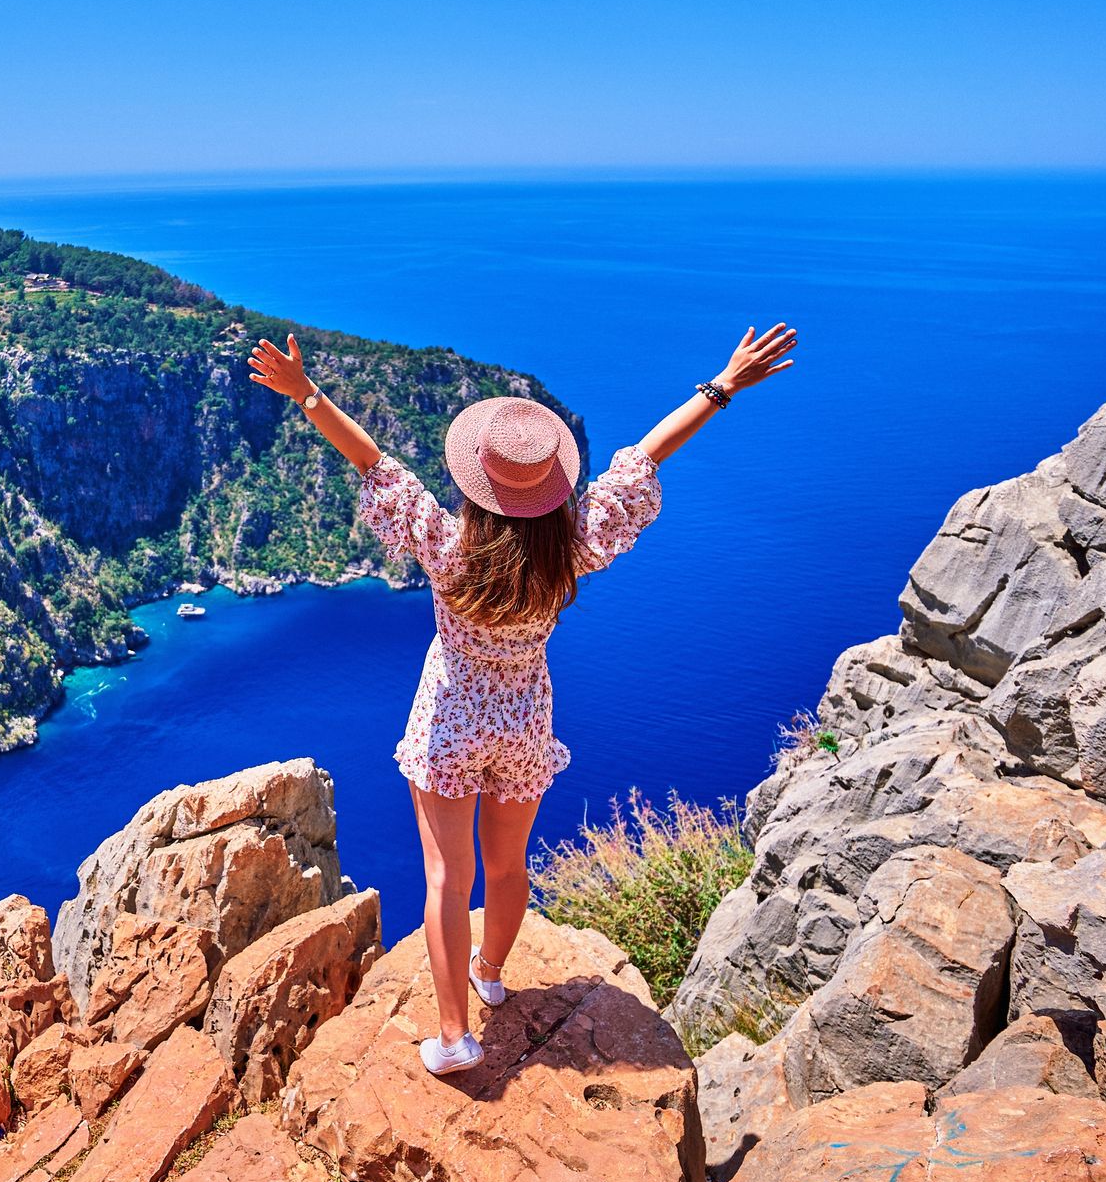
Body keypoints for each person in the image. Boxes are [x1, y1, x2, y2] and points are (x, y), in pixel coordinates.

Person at [247, 323, 797, 1075]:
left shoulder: (446, 547)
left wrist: (304, 392)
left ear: (477, 485)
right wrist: (721, 385)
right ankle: (492, 976)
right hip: (525, 722)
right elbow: (645, 457)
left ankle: (453, 1035)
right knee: (506, 868)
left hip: (449, 720)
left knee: (448, 878)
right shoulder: (573, 549)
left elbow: (372, 461)